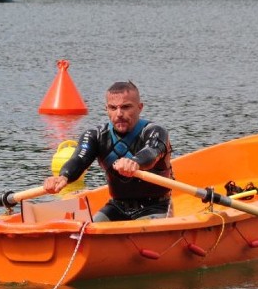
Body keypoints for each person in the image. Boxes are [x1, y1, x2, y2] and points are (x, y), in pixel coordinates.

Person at [43, 81, 174, 221]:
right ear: (107, 109)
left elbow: (151, 153)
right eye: (113, 108)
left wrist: (135, 162)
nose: (119, 114)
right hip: (117, 207)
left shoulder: (156, 132)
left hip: (156, 206)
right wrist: (63, 177)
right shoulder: (95, 135)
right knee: (88, 229)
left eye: (126, 107)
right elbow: (79, 159)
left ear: (139, 108)